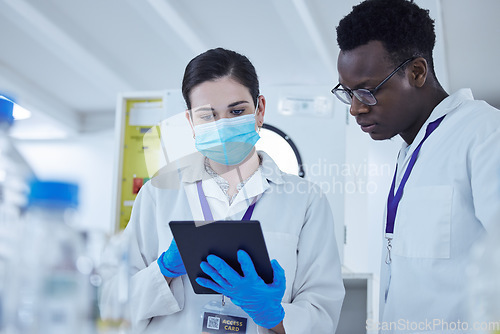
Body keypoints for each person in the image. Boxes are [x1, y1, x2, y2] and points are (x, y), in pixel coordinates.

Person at [99, 47, 344, 334]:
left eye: (237, 111)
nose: (222, 125)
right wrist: (163, 271)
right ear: (191, 121)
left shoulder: (305, 200)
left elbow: (322, 313)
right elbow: (112, 306)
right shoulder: (158, 193)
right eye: (207, 115)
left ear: (260, 110)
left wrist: (274, 315)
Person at [333, 0, 500, 332]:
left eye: (367, 92)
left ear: (417, 72)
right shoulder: (412, 150)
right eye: (348, 93)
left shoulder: (485, 134)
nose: (355, 109)